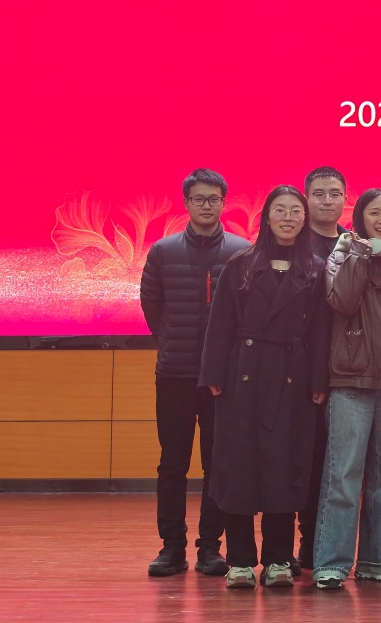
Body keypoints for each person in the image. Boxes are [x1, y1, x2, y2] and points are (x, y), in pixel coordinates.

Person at [198, 185, 331, 590]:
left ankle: (277, 559)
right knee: (238, 466)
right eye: (280, 210)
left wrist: (318, 380)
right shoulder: (239, 265)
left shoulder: (316, 269)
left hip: (293, 378)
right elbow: (219, 325)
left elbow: (322, 331)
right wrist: (214, 374)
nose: (288, 217)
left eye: (295, 210)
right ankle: (240, 560)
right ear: (267, 217)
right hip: (242, 376)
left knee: (285, 466)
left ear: (304, 218)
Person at [140, 168, 250, 579]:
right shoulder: (163, 251)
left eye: (213, 199)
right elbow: (152, 306)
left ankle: (210, 547)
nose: (206, 205)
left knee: (216, 465)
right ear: (186, 203)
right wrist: (172, 341)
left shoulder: (241, 252)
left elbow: (247, 312)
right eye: (199, 199)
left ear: (224, 203)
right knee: (172, 464)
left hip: (223, 380)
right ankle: (172, 547)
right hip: (175, 374)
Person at [312, 189, 381, 589]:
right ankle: (331, 563)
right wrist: (360, 252)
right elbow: (342, 300)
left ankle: (376, 559)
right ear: (360, 218)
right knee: (344, 474)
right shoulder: (343, 254)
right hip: (352, 380)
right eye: (374, 213)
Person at [296, 165, 349, 573]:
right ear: (306, 198)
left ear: (345, 198)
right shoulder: (291, 243)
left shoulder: (355, 246)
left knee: (337, 464)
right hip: (297, 369)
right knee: (303, 459)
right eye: (319, 193)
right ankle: (302, 543)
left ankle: (324, 546)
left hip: (347, 368)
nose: (327, 201)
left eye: (334, 193)